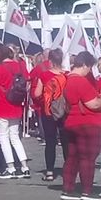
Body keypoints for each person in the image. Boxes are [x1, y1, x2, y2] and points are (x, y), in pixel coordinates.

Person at [61, 51, 101, 200]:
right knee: (88, 157)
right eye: (89, 67)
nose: (89, 70)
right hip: (87, 122)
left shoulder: (66, 79)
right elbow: (94, 104)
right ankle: (87, 191)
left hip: (71, 121)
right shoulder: (80, 81)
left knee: (72, 157)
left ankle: (68, 189)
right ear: (84, 65)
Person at [0, 44, 30, 179]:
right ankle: (24, 167)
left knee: (3, 138)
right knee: (15, 137)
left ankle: (10, 167)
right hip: (16, 106)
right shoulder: (19, 66)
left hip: (1, 107)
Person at [32, 48, 68, 182]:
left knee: (50, 142)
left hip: (48, 111)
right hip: (64, 111)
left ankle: (49, 172)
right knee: (66, 141)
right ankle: (68, 169)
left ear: (50, 61)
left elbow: (36, 94)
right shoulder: (67, 75)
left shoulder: (44, 75)